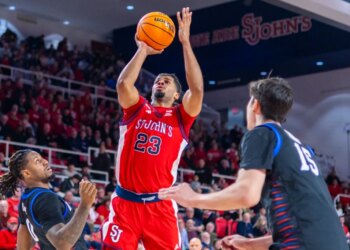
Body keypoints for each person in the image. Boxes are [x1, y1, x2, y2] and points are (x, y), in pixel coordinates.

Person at [160, 77, 348, 250]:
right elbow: (306, 225)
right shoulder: (302, 148)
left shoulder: (262, 132)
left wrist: (193, 198)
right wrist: (249, 244)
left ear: (255, 105)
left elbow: (246, 195)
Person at [102, 7, 204, 250]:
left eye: (167, 81)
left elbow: (197, 90)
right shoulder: (137, 108)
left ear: (177, 94)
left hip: (160, 207)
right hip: (125, 204)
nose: (160, 81)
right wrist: (143, 50)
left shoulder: (181, 116)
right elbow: (124, 83)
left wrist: (185, 43)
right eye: (158, 80)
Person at [0, 149, 97, 249]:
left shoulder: (25, 198)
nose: (45, 162)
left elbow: (24, 246)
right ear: (27, 173)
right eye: (37, 161)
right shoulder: (45, 198)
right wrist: (85, 205)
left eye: (42, 158)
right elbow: (62, 243)